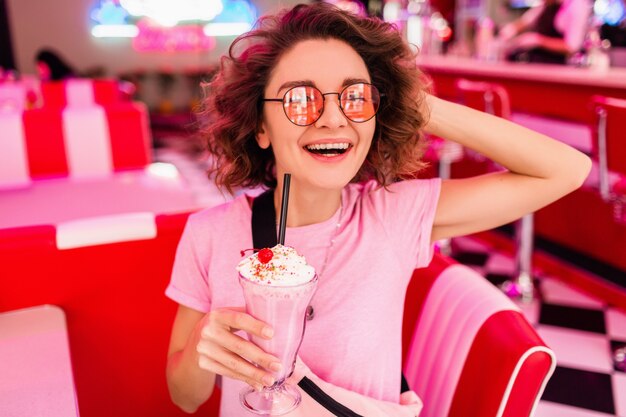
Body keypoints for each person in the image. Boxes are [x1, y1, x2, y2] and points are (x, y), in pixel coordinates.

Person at [165, 3, 591, 415]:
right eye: (300, 100)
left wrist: (413, 101)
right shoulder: (209, 234)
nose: (332, 119)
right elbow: (186, 398)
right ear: (260, 126)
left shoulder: (393, 216)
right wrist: (205, 340)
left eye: (355, 97)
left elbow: (566, 171)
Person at [499, 0, 592, 64]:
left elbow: (571, 47)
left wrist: (539, 41)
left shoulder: (577, 6)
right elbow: (526, 20)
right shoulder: (547, 4)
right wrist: (510, 29)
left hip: (558, 70)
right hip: (536, 65)